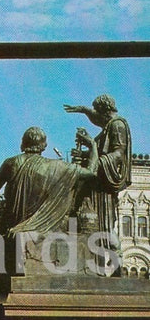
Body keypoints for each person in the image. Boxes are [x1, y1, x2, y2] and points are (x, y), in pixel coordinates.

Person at [0, 126, 99, 277]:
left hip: (11, 228)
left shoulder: (11, 163)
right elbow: (91, 173)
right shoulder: (59, 167)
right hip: (43, 229)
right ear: (44, 146)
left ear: (23, 143)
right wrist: (92, 146)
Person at [64, 94, 132, 241]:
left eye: (97, 111)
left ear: (103, 111)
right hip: (97, 183)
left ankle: (112, 253)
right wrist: (83, 154)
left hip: (104, 183)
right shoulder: (108, 126)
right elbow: (99, 150)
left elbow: (119, 154)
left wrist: (95, 163)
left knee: (105, 228)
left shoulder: (117, 125)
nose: (95, 117)